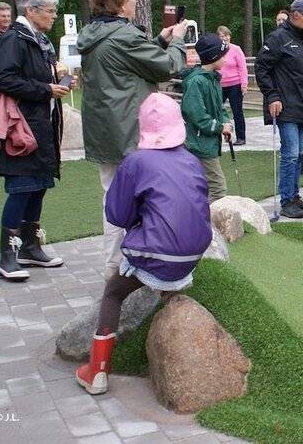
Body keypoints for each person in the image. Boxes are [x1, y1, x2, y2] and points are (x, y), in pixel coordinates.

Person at [75, 93, 212, 395]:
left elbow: (117, 215)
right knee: (165, 257)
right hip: (193, 253)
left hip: (156, 252)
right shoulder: (191, 160)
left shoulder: (135, 162)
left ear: (142, 128)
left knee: (113, 292)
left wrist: (140, 216)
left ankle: (98, 370)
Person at [78, 0, 187, 278]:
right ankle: (140, 263)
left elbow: (128, 62)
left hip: (104, 131)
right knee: (143, 197)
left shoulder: (93, 33)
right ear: (120, 3)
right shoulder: (125, 35)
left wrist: (160, 41)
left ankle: (113, 266)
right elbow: (167, 67)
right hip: (131, 130)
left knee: (112, 197)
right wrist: (177, 40)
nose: (136, 0)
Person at [0, 0, 68, 280]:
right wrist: (45, 89)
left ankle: (30, 247)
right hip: (19, 129)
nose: (54, 16)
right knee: (21, 188)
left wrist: (57, 81)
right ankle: (7, 255)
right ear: (31, 10)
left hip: (40, 127)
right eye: (50, 10)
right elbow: (4, 79)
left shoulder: (39, 39)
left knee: (38, 186)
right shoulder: (14, 39)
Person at [255, 0, 303, 219]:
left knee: (299, 153)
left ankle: (294, 196)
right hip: (285, 105)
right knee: (291, 154)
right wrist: (272, 96)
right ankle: (286, 201)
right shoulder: (278, 38)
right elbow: (261, 68)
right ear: (296, 15)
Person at [180, 33, 233, 203]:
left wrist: (226, 123)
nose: (225, 59)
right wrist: (219, 127)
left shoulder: (213, 78)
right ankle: (212, 219)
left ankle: (202, 216)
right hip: (199, 143)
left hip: (209, 142)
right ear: (213, 57)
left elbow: (219, 107)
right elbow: (196, 115)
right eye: (222, 55)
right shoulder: (197, 82)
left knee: (204, 186)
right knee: (218, 187)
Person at [216, 26, 248, 145]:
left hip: (235, 84)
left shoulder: (236, 49)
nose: (224, 38)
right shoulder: (216, 50)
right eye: (221, 36)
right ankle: (218, 135)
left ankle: (241, 137)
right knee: (216, 110)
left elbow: (242, 67)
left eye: (226, 35)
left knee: (237, 111)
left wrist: (244, 84)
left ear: (230, 36)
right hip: (220, 85)